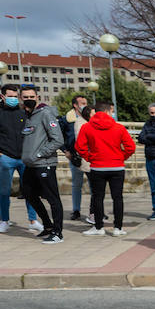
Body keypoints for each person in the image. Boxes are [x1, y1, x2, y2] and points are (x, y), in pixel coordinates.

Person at [75, 100, 136, 236]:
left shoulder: (87, 127)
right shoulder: (119, 128)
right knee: (117, 198)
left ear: (95, 111)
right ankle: (118, 228)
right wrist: (122, 157)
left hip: (98, 167)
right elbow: (131, 147)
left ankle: (98, 227)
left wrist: (90, 158)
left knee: (97, 197)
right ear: (108, 111)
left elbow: (80, 147)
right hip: (117, 167)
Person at [0, 83, 34, 233]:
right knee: (4, 192)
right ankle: (4, 220)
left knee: (30, 190)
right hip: (5, 158)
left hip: (24, 158)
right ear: (3, 97)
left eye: (15, 97)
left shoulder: (24, 112)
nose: (13, 99)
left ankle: (33, 220)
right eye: (10, 97)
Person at [19, 85, 67, 244]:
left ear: (37, 98)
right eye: (26, 97)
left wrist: (39, 154)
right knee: (28, 193)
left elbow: (58, 139)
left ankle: (58, 232)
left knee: (53, 198)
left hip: (44, 163)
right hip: (31, 165)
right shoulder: (28, 116)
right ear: (21, 99)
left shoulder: (45, 114)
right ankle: (47, 225)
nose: (29, 100)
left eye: (32, 97)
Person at [64, 93, 91, 222]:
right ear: (75, 105)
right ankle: (76, 210)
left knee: (94, 185)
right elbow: (60, 136)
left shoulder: (89, 118)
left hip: (90, 157)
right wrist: (65, 151)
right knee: (76, 185)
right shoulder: (67, 119)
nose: (84, 106)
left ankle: (95, 210)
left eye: (86, 103)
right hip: (74, 156)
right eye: (82, 103)